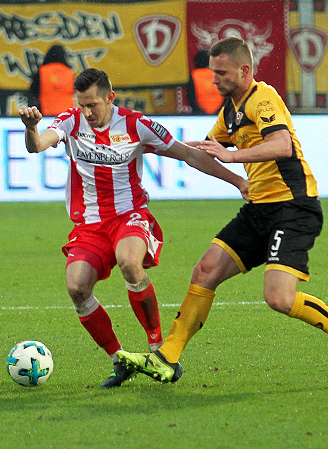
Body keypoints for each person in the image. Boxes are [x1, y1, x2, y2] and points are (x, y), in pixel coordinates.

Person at [117, 36, 328, 385]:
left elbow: (282, 145)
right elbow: (203, 151)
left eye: (221, 73)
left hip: (293, 207)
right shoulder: (230, 111)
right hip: (259, 208)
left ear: (244, 70)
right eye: (212, 72)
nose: (214, 79)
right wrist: (156, 146)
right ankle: (167, 358)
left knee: (279, 298)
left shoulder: (263, 98)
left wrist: (233, 156)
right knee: (205, 271)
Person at [18, 68, 248, 388]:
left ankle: (159, 350)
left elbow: (188, 155)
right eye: (82, 105)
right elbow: (37, 145)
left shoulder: (136, 124)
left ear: (110, 98)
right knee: (77, 287)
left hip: (129, 215)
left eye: (93, 105)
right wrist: (31, 128)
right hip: (90, 224)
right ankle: (119, 360)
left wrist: (237, 181)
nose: (87, 112)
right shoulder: (71, 121)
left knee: (129, 262)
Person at [29, 44, 75, 116]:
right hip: (67, 114)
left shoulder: (42, 71)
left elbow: (33, 91)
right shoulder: (70, 72)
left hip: (46, 113)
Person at [187, 49, 223, 115]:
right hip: (218, 114)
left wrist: (200, 112)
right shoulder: (219, 74)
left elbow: (191, 98)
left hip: (200, 115)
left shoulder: (194, 75)